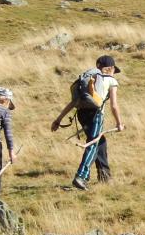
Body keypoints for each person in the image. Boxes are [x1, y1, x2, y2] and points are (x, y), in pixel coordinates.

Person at [51, 55, 125, 189]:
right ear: (110, 68)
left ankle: (104, 175)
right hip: (95, 114)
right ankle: (81, 176)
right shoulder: (111, 80)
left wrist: (58, 120)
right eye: (114, 70)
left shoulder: (88, 79)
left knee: (100, 141)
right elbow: (114, 105)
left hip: (81, 114)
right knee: (93, 144)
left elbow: (73, 102)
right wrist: (119, 123)